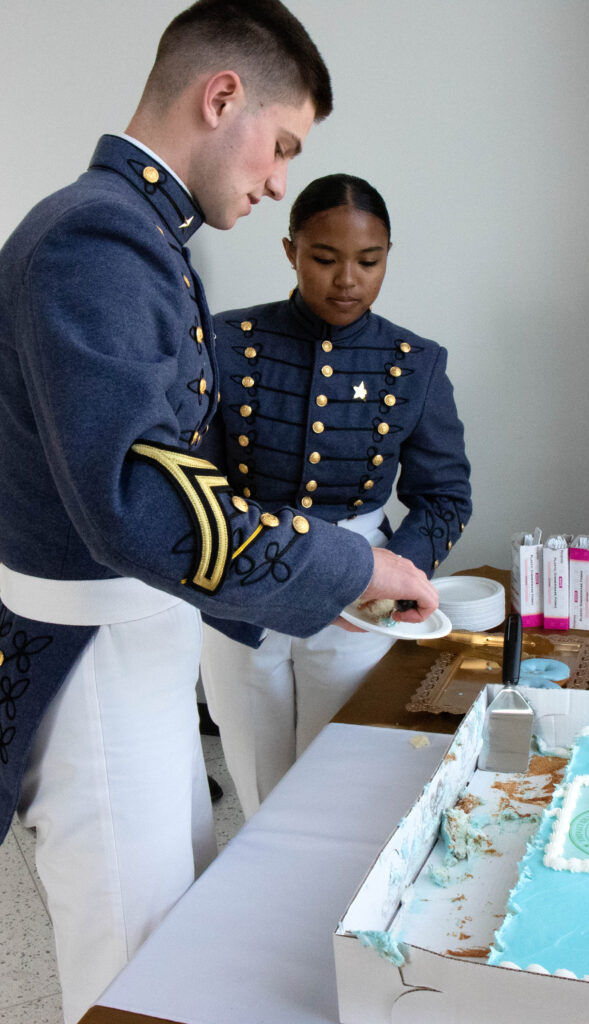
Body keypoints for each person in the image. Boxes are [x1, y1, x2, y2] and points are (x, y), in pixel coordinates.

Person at [0, 4, 437, 1022]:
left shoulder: (131, 231)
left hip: (139, 631)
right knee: (135, 971)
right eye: (282, 144)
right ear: (221, 96)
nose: (281, 177)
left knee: (173, 942)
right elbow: (139, 497)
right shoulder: (98, 239)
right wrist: (343, 565)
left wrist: (304, 588)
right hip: (98, 653)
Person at [200, 173, 472, 817]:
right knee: (260, 789)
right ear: (291, 250)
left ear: (386, 257)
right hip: (243, 583)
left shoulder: (415, 362)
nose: (347, 278)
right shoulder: (226, 342)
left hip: (361, 590)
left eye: (368, 261)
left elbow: (445, 497)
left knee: (341, 784)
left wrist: (398, 576)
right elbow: (197, 478)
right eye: (324, 258)